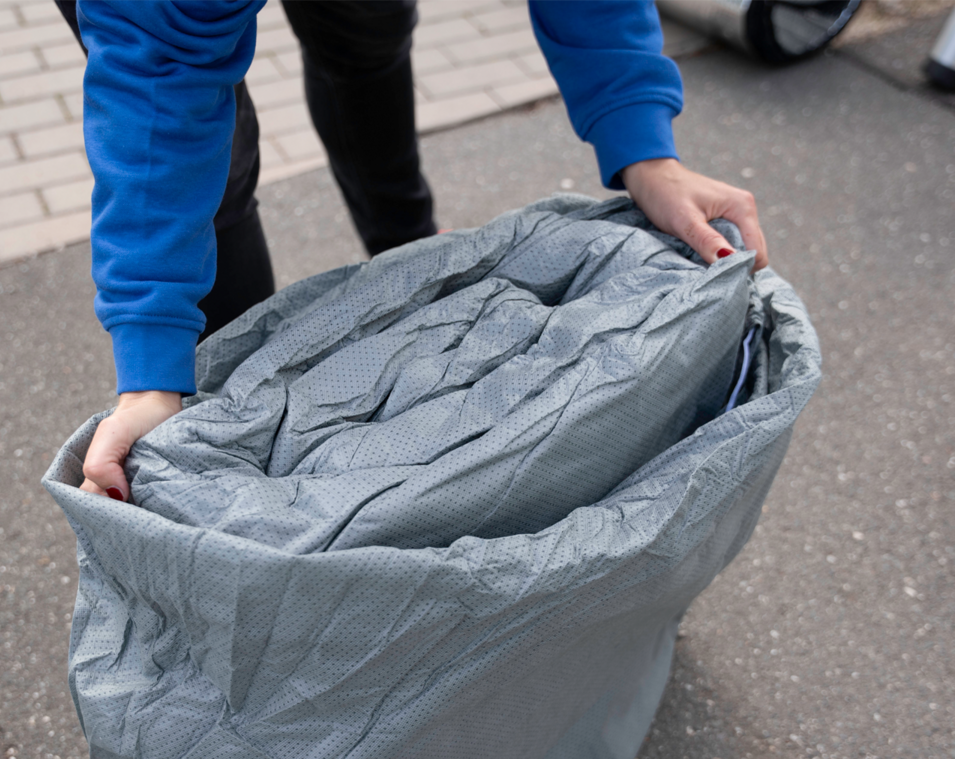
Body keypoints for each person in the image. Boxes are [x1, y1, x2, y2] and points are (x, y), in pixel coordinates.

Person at [57, 0, 769, 503]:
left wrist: (644, 150)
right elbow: (160, 87)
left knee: (366, 42)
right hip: (159, 30)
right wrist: (155, 375)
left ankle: (412, 262)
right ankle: (238, 430)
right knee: (217, 177)